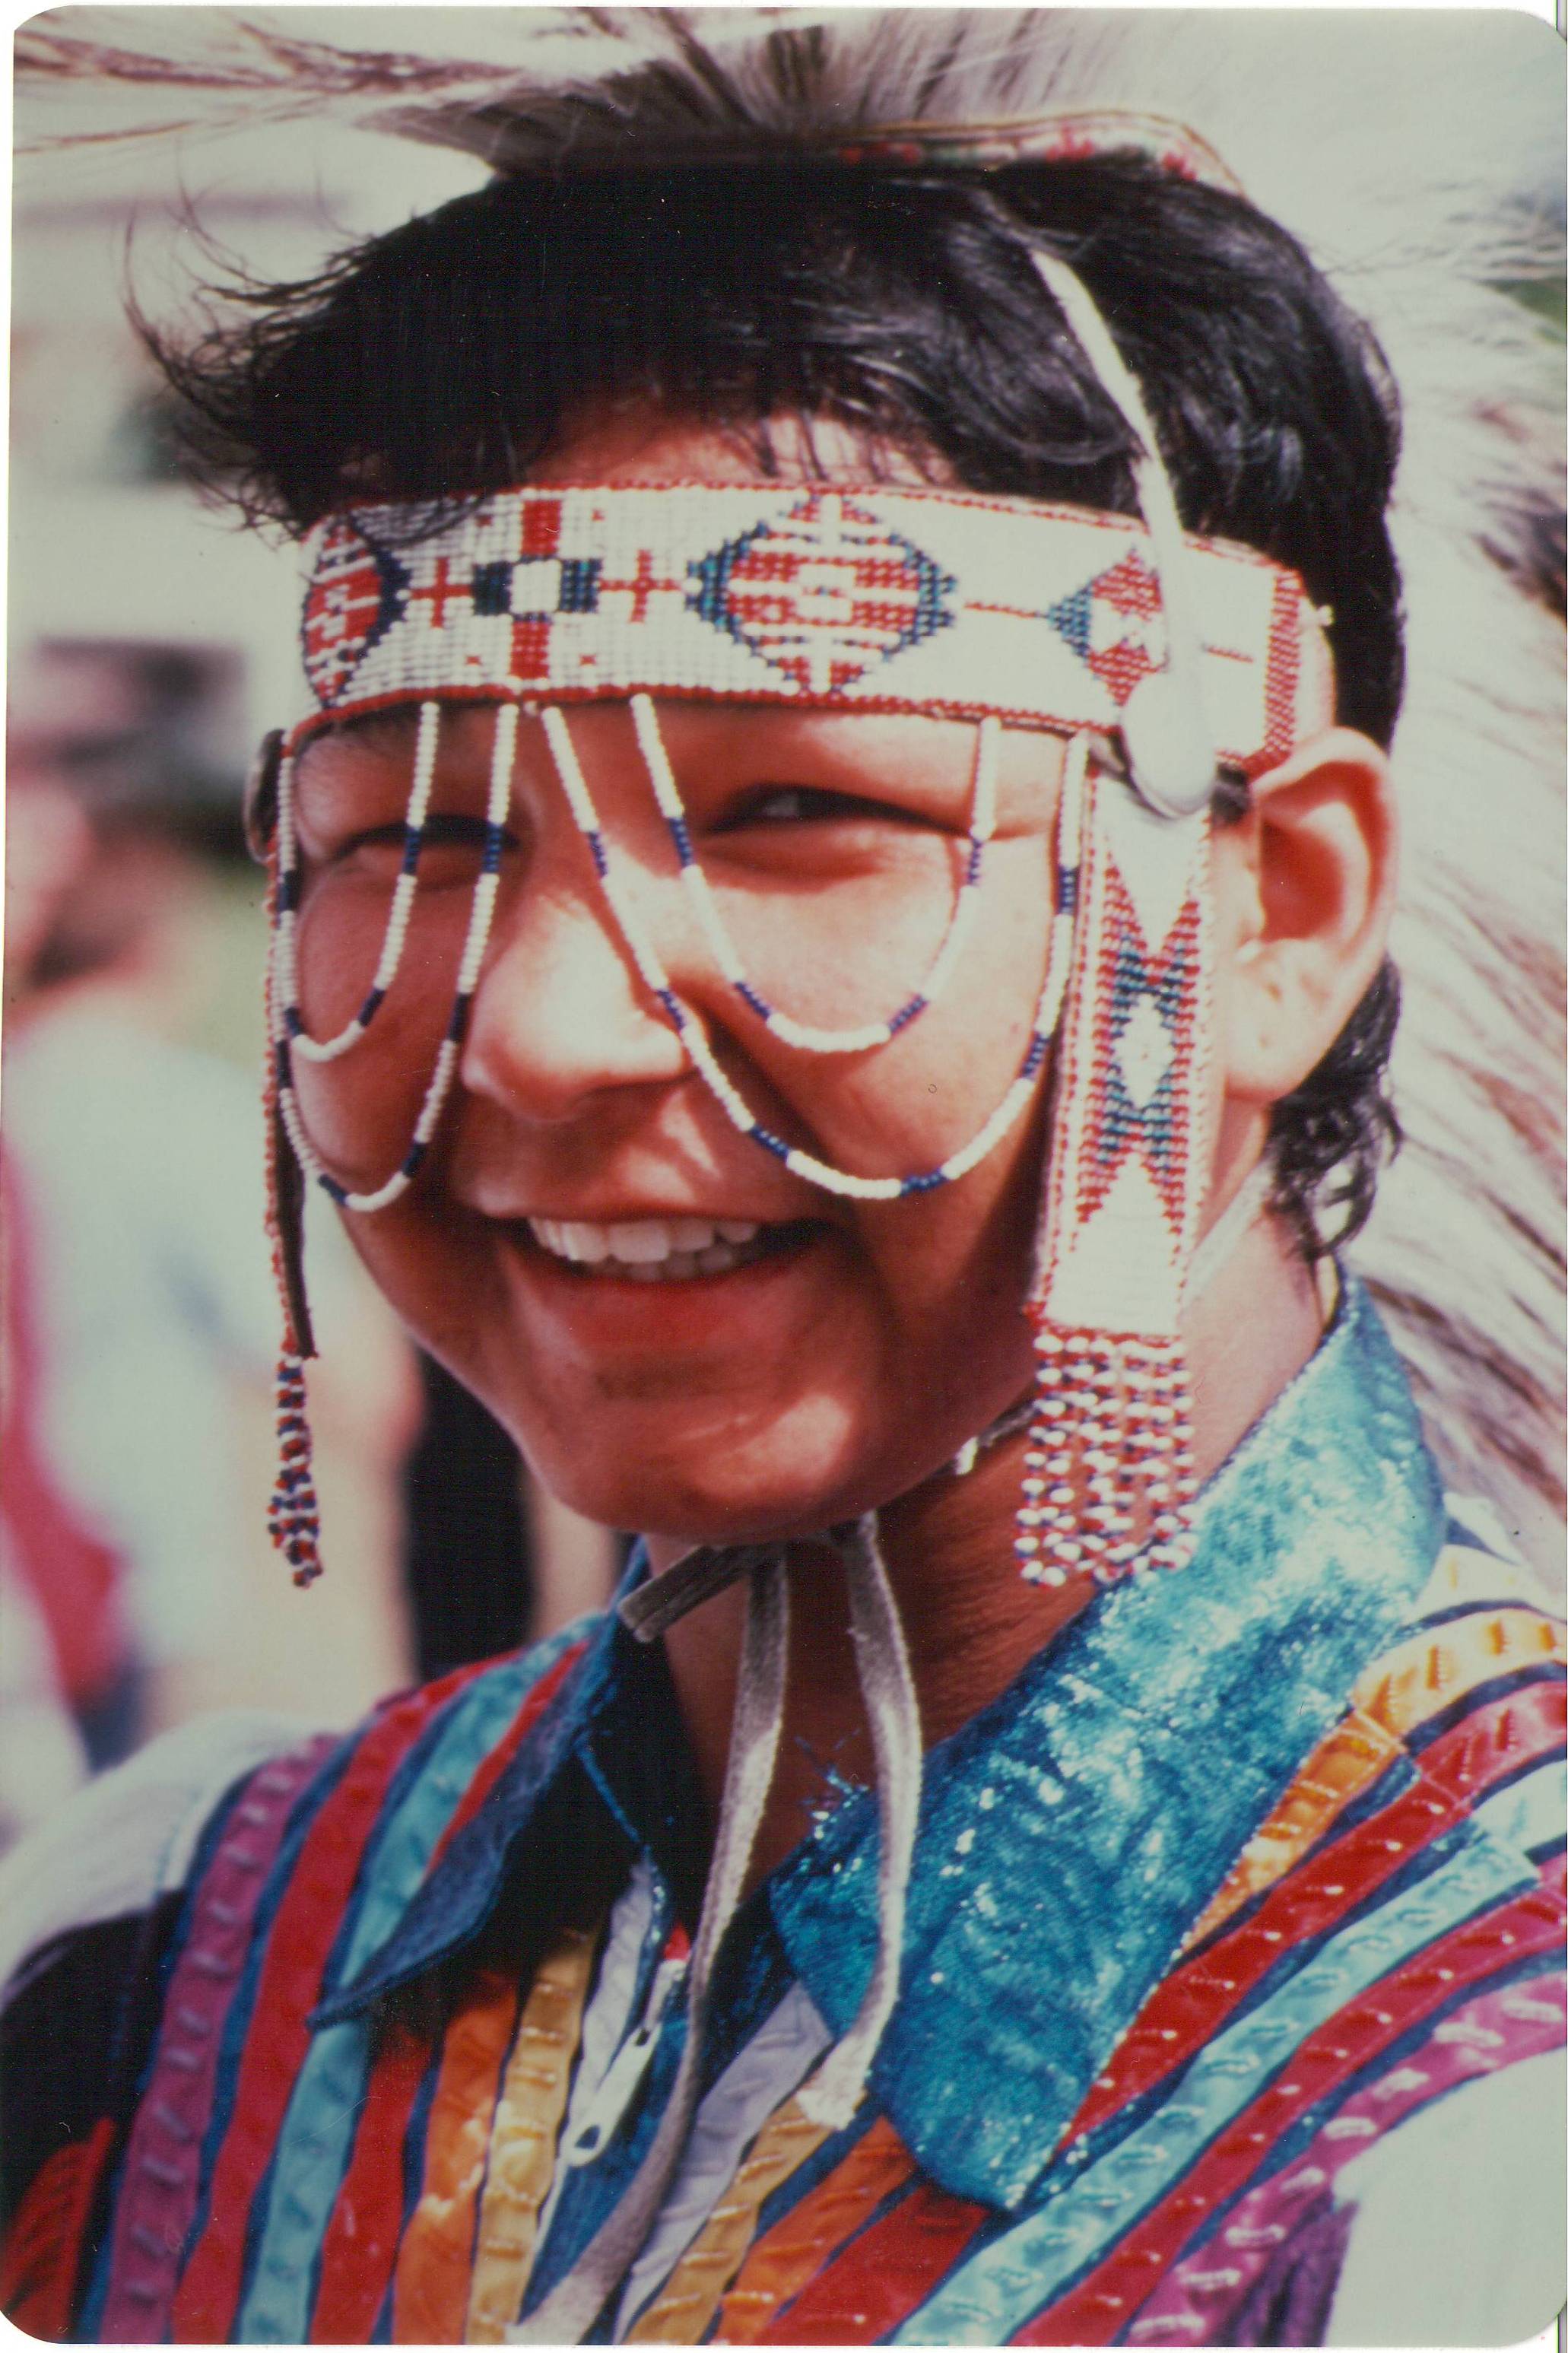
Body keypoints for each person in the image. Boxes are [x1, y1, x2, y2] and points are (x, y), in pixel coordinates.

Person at [1, 11, 1562, 2346]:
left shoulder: (1492, 2122)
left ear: (1282, 912)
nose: (534, 1025)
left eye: (793, 813)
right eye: (406, 841)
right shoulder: (147, 1973)